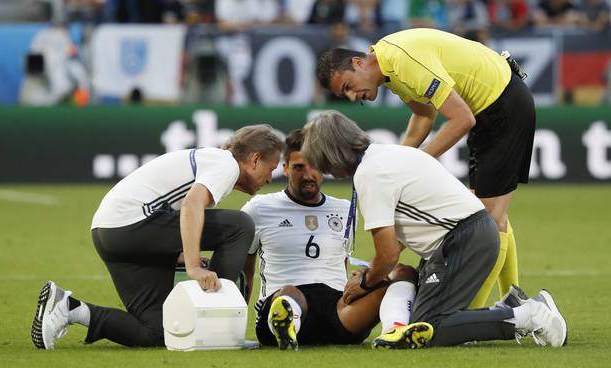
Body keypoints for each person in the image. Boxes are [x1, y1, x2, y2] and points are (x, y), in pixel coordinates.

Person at [301, 110, 567, 349]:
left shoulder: (369, 173)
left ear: (330, 154)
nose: (324, 171)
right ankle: (509, 308)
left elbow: (388, 254)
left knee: (430, 326)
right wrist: (375, 272)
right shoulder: (388, 154)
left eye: (320, 162)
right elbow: (408, 231)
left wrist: (364, 282)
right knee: (422, 319)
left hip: (463, 239)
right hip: (469, 235)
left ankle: (527, 315)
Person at [316, 28, 535, 308]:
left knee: (491, 217)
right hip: (493, 105)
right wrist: (398, 160)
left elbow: (461, 120)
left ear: (358, 63)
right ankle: (515, 300)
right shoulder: (390, 67)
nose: (351, 97)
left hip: (500, 105)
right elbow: (423, 116)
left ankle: (469, 313)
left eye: (347, 86)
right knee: (490, 213)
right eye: (343, 95)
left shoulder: (402, 62)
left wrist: (412, 163)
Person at [31, 125, 284, 349]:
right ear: (254, 159)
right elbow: (191, 205)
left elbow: (170, 210)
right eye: (270, 169)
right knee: (240, 225)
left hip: (108, 233)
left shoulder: (211, 160)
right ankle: (219, 328)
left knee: (159, 332)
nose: (270, 178)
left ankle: (69, 308)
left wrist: (180, 254)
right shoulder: (226, 163)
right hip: (132, 224)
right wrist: (194, 266)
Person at [241, 129, 421, 350]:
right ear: (285, 169)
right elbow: (245, 273)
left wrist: (365, 279)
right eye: (299, 167)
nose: (308, 175)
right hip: (281, 300)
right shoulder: (259, 208)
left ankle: (394, 332)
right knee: (290, 294)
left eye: (314, 167)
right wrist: (235, 324)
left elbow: (341, 262)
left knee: (404, 273)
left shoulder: (346, 209)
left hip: (337, 310)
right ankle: (286, 324)